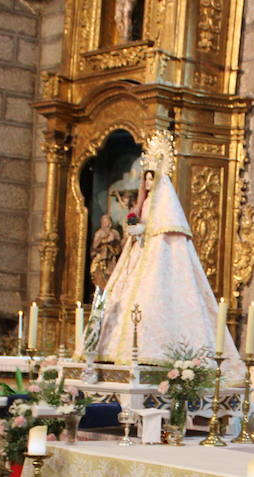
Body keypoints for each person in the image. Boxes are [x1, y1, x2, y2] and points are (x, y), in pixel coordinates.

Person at [94, 142, 242, 381]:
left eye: (152, 179)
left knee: (153, 300)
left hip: (157, 260)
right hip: (137, 256)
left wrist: (144, 229)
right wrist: (134, 228)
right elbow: (138, 220)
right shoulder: (143, 202)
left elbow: (164, 228)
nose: (148, 184)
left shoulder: (165, 202)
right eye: (146, 180)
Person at [89, 212, 122, 288]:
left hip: (112, 258)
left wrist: (114, 242)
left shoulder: (115, 233)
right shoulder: (99, 233)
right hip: (101, 259)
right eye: (105, 222)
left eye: (108, 222)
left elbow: (119, 248)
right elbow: (95, 246)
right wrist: (105, 240)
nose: (107, 224)